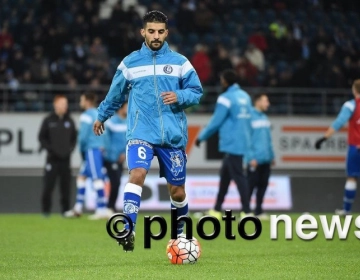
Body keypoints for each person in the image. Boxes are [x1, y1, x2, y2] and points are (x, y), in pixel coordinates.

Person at [93, 10, 203, 252]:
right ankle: (127, 228)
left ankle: (180, 235)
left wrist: (180, 96)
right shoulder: (130, 63)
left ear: (166, 33)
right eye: (151, 31)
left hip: (171, 136)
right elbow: (115, 94)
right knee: (137, 174)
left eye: (160, 31)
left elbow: (197, 92)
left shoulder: (180, 62)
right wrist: (102, 115)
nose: (156, 36)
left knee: (177, 191)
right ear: (143, 32)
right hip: (140, 132)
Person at [315, 79, 360, 218]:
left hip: (356, 147)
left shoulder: (351, 105)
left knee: (352, 178)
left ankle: (346, 210)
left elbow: (339, 122)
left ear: (354, 90)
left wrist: (324, 138)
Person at [195, 69, 253, 220]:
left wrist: (202, 137)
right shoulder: (245, 96)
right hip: (242, 141)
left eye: (222, 80)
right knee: (225, 177)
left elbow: (216, 121)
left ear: (226, 81)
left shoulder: (225, 98)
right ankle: (216, 209)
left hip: (231, 143)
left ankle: (247, 211)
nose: (221, 83)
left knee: (239, 177)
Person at [64, 92, 111, 220]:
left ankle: (102, 209)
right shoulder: (99, 114)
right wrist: (104, 147)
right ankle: (78, 208)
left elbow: (83, 136)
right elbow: (106, 134)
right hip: (98, 148)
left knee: (97, 178)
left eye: (82, 100)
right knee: (82, 177)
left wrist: (81, 149)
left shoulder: (86, 115)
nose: (80, 102)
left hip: (91, 149)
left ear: (87, 101)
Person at [38, 95, 77, 217]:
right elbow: (41, 137)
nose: (65, 106)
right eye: (63, 104)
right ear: (56, 105)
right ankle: (45, 211)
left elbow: (74, 138)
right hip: (52, 159)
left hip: (65, 160)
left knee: (66, 188)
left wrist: (69, 149)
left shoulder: (69, 121)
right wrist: (50, 150)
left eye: (66, 104)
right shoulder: (48, 120)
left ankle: (65, 211)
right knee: (48, 187)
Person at [246, 93, 275, 221]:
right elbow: (246, 139)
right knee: (250, 186)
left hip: (266, 159)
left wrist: (272, 155)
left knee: (263, 185)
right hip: (254, 160)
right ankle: (245, 211)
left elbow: (268, 139)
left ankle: (258, 210)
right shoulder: (249, 117)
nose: (267, 103)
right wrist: (250, 157)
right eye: (265, 101)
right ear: (257, 102)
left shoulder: (264, 117)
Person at [103, 102, 128, 213]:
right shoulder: (111, 122)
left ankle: (110, 207)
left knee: (116, 183)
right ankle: (109, 206)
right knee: (115, 182)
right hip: (111, 158)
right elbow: (106, 140)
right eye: (127, 106)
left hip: (121, 158)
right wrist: (111, 154)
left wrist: (124, 153)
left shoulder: (129, 122)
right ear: (120, 108)